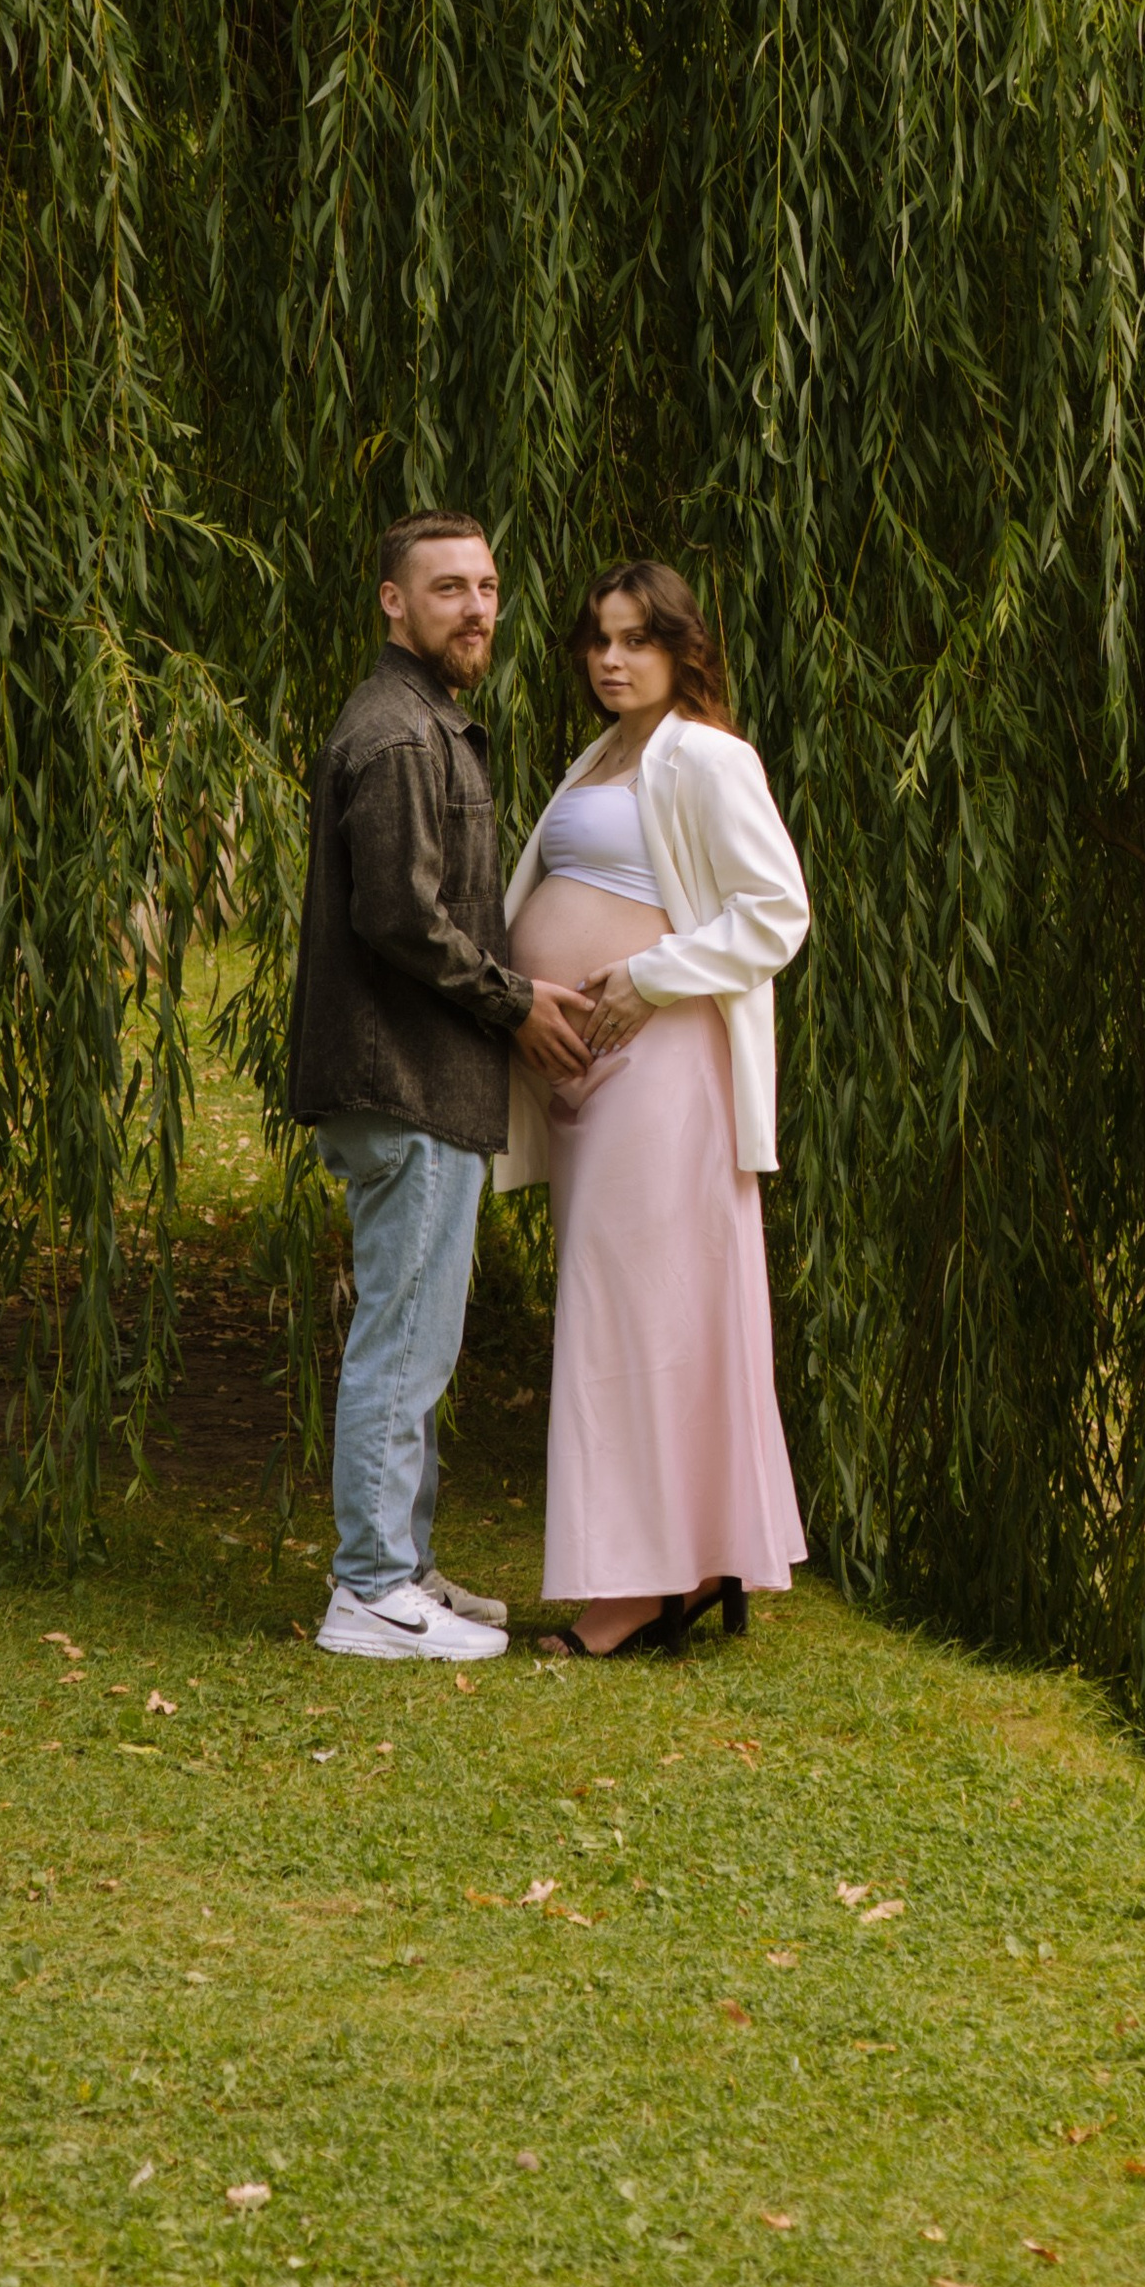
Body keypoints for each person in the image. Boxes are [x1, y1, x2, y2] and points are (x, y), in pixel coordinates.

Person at [286, 514, 592, 1663]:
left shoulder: (425, 723)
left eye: (488, 587)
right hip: (402, 1079)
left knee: (421, 1339)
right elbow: (398, 915)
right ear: (391, 605)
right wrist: (517, 1002)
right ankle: (367, 1592)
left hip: (424, 1082)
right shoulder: (404, 737)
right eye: (448, 588)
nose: (476, 609)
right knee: (403, 1340)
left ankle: (402, 1569)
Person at [501, 560, 811, 1655]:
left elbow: (777, 912)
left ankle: (639, 1589)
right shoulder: (601, 756)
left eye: (636, 640)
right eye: (598, 641)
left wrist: (652, 973)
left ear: (682, 648)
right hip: (589, 1077)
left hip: (664, 1065)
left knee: (634, 1312)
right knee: (638, 1308)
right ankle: (686, 1561)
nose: (612, 660)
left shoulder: (709, 757)